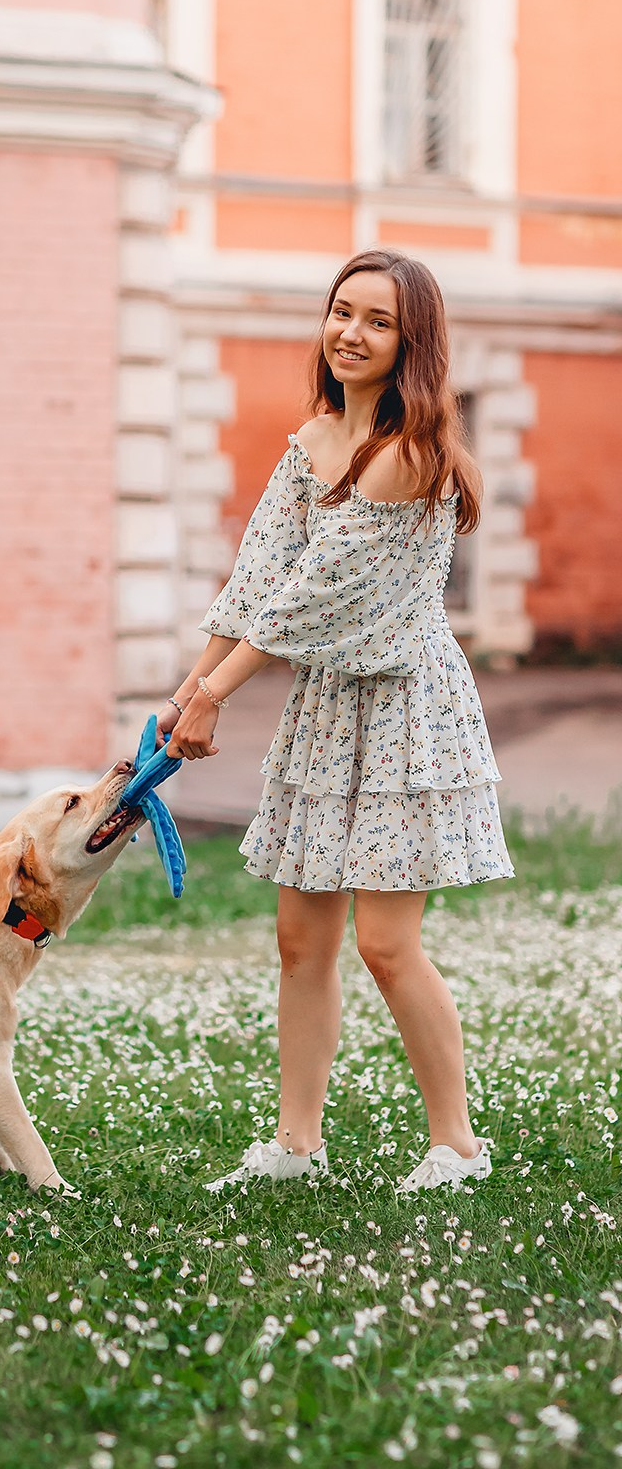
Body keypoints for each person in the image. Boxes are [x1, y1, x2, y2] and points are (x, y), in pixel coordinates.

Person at [159, 249, 514, 1193]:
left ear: (413, 343)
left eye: (379, 320)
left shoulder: (410, 458)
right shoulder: (311, 438)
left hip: (404, 708)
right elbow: (257, 581)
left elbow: (311, 603)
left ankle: (459, 1147)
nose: (352, 333)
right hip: (326, 706)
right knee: (300, 940)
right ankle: (296, 1146)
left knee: (387, 943)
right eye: (342, 312)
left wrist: (213, 698)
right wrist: (184, 692)